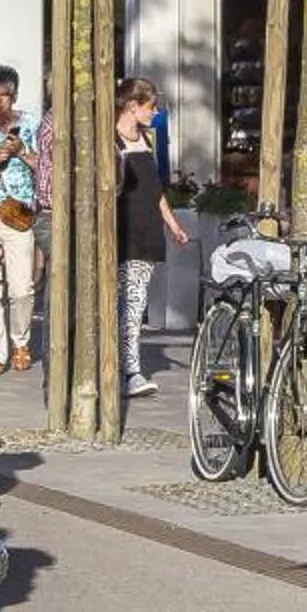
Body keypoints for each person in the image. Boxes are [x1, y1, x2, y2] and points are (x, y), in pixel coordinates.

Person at [115, 77, 190, 397]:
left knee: (135, 303)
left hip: (145, 231)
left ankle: (130, 370)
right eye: (151, 106)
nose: (155, 112)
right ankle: (123, 368)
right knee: (121, 303)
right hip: (120, 230)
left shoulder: (146, 139)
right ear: (132, 106)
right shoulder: (112, 141)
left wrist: (172, 223)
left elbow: (155, 189)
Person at [0, 65, 44, 375]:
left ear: (14, 96)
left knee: (21, 289)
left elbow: (46, 169)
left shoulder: (30, 123)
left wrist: (22, 151)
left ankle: (21, 341)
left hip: (19, 213)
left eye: (3, 96)